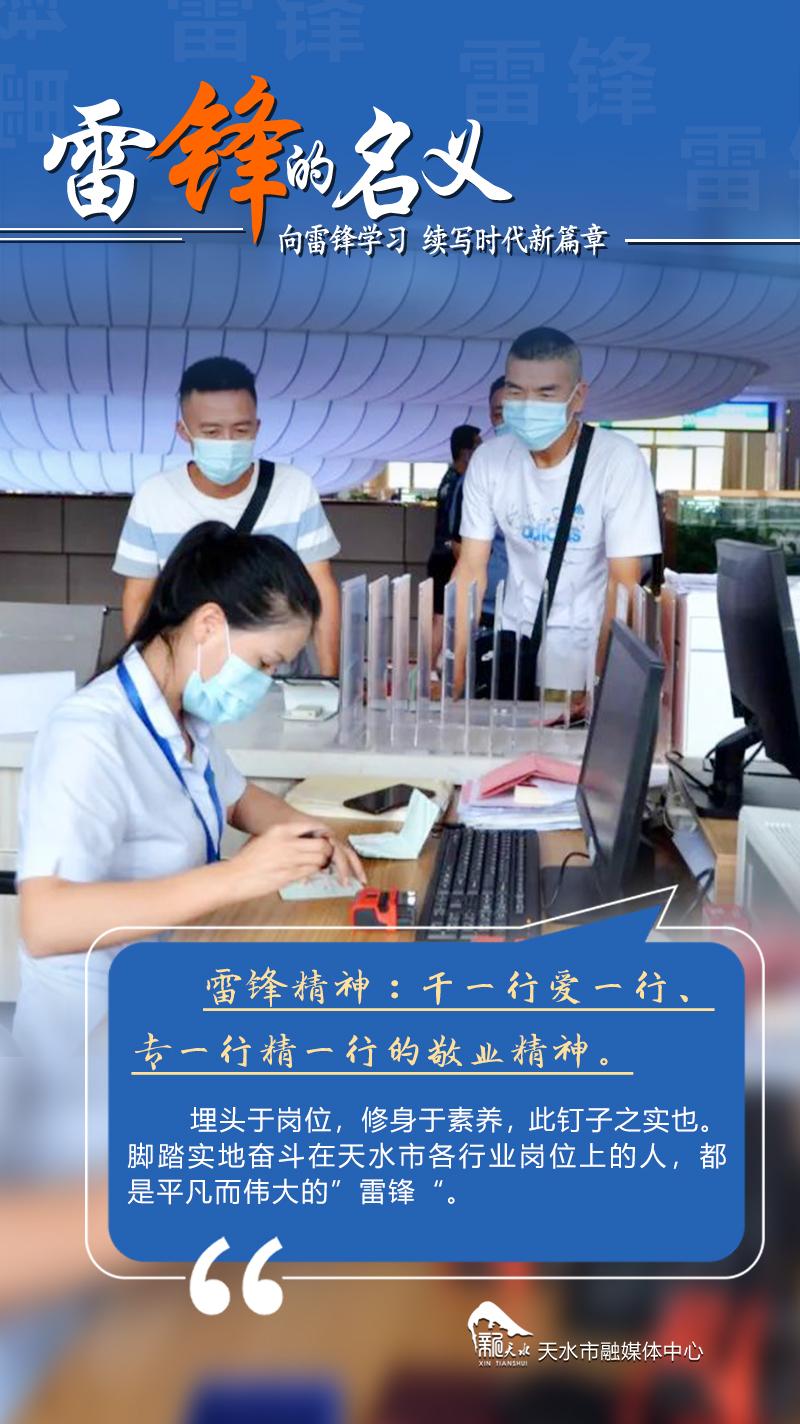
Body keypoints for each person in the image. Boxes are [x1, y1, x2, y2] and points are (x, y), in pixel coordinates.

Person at [13, 522, 365, 1061]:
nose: (265, 681)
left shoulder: (183, 717)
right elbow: (45, 923)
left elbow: (237, 798)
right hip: (87, 1043)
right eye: (264, 663)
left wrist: (310, 834)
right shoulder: (89, 735)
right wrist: (237, 876)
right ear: (208, 624)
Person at [452, 326, 661, 695]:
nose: (528, 405)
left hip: (585, 652)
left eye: (546, 393)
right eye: (516, 391)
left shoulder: (617, 461)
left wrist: (599, 683)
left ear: (578, 396)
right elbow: (470, 568)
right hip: (513, 653)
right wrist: (456, 672)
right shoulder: (489, 461)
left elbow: (623, 583)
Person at [113, 355, 342, 675]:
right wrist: (153, 678)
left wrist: (330, 678)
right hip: (190, 680)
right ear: (183, 431)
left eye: (240, 429)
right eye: (211, 432)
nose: (228, 442)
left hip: (275, 678)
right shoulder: (154, 497)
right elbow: (139, 597)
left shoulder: (295, 489)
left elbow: (322, 588)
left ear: (257, 427)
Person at [425, 424, 481, 663]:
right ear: (466, 452)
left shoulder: (449, 479)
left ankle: (430, 667)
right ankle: (426, 669)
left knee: (442, 616)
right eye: (477, 445)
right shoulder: (461, 483)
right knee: (443, 617)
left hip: (442, 556)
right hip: (449, 558)